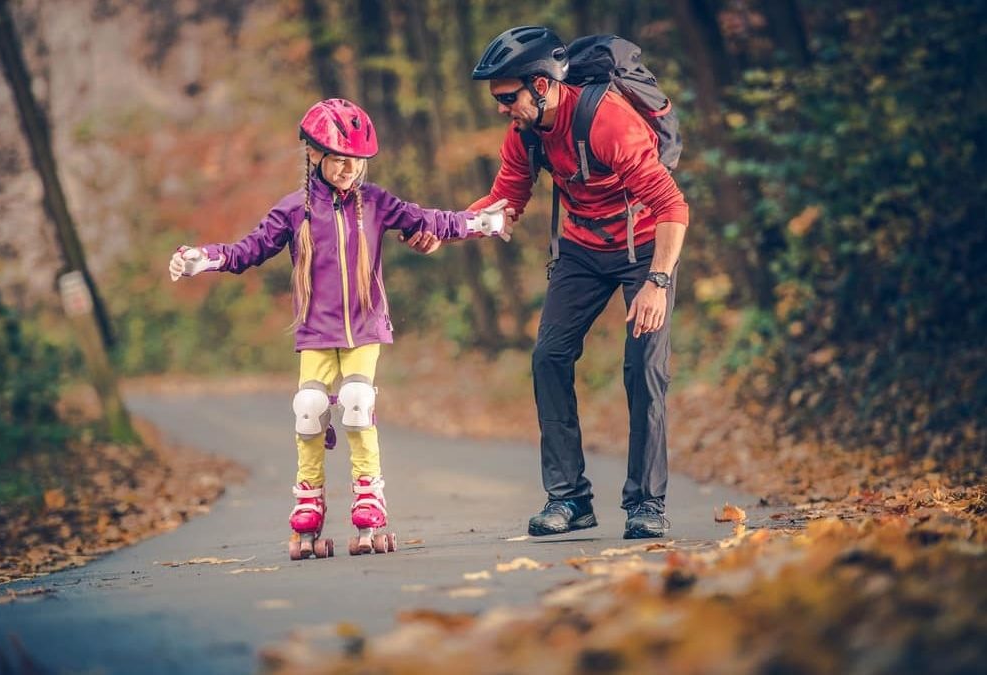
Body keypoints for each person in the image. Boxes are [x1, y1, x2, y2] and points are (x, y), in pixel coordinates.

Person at [169, 98, 511, 559]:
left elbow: (429, 220)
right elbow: (248, 250)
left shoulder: (376, 204)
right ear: (314, 155)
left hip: (365, 329)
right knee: (309, 408)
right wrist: (202, 258)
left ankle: (369, 493)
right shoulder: (293, 211)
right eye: (339, 158)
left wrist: (482, 222)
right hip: (316, 333)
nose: (350, 168)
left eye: (357, 161)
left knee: (355, 401)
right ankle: (309, 498)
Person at [467, 26, 690, 539]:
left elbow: (673, 206)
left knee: (644, 371)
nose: (502, 108)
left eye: (507, 97)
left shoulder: (608, 121)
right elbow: (507, 200)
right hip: (581, 251)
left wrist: (657, 280)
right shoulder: (526, 132)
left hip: (643, 251)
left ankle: (646, 505)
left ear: (542, 86)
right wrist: (447, 228)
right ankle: (569, 499)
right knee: (548, 358)